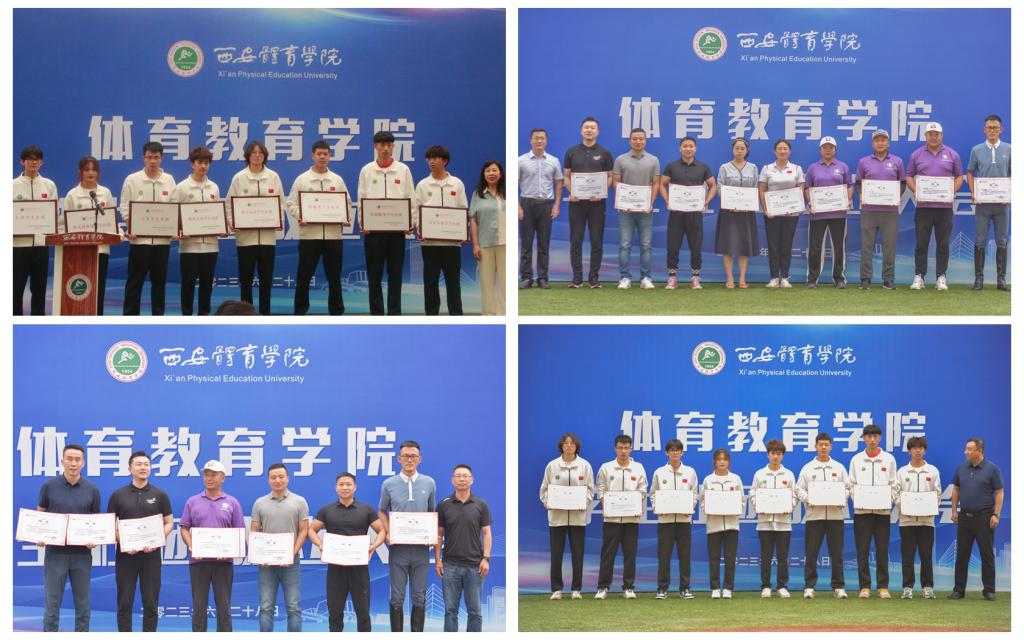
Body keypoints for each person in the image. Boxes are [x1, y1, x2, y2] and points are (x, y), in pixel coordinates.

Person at [106, 450, 174, 631]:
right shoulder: (118, 495)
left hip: (151, 557)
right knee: (124, 603)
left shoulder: (160, 495)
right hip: (125, 556)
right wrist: (123, 542)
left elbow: (169, 523)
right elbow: (110, 526)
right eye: (138, 464)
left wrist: (157, 540)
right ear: (130, 468)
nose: (143, 467)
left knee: (151, 603)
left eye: (146, 464)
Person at [310, 472, 385, 632]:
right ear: (336, 488)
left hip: (359, 568)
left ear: (355, 487)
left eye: (348, 484)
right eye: (341, 484)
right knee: (335, 613)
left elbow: (382, 531)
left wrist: (373, 546)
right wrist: (320, 545)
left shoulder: (366, 509)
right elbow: (311, 530)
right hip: (335, 569)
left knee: (363, 613)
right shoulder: (326, 510)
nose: (345, 487)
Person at [38, 444, 100, 632]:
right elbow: (40, 515)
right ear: (62, 461)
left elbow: (96, 522)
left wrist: (94, 538)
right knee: (52, 606)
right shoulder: (49, 487)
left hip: (82, 555)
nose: (73, 463)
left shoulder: (92, 490)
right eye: (70, 459)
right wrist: (39, 535)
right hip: (55, 554)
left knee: (83, 607)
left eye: (77, 459)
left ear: (83, 463)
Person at [179, 460, 245, 632]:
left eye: (213, 475)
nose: (209, 478)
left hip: (223, 563)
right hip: (198, 562)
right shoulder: (192, 501)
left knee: (224, 606)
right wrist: (192, 546)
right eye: (206, 474)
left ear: (223, 478)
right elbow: (184, 528)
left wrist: (229, 550)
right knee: (199, 607)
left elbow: (239, 532)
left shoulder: (232, 502)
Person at [286, 140, 350, 315]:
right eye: (319, 154)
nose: (322, 157)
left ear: (329, 156)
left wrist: (344, 217)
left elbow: (346, 203)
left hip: (333, 237)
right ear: (312, 156)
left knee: (334, 277)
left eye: (325, 154)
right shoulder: (302, 179)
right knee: (304, 276)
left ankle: (337, 311)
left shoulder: (337, 179)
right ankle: (300, 311)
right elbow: (291, 203)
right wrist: (301, 215)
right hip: (309, 236)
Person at [379, 440, 436, 632]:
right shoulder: (389, 484)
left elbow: (431, 511)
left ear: (420, 459)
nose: (409, 460)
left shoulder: (429, 482)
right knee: (397, 597)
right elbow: (381, 511)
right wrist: (388, 531)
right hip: (398, 549)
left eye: (413, 456)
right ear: (399, 459)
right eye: (406, 456)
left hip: (421, 550)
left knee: (419, 596)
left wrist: (429, 533)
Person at [357, 130, 416, 315]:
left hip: (397, 231)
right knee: (374, 275)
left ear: (393, 146)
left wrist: (410, 222)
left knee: (395, 274)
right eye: (382, 145)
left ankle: (394, 313)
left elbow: (411, 197)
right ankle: (376, 314)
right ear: (375, 146)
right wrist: (363, 222)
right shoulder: (367, 170)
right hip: (373, 232)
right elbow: (361, 197)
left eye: (389, 145)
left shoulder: (403, 170)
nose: (385, 149)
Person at [226, 140, 286, 314]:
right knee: (246, 281)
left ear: (265, 156)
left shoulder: (273, 177)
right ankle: (246, 314)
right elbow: (229, 205)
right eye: (254, 152)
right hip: (246, 239)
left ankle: (265, 314)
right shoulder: (239, 178)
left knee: (266, 280)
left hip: (267, 238)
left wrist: (278, 220)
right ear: (248, 156)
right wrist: (233, 222)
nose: (257, 156)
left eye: (261, 153)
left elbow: (281, 204)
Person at [250, 463, 310, 632]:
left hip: (291, 563)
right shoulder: (260, 503)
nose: (277, 480)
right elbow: (254, 530)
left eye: (281, 477)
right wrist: (259, 554)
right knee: (266, 607)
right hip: (267, 564)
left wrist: (292, 553)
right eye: (273, 477)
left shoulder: (299, 501)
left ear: (288, 478)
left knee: (293, 607)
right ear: (268, 480)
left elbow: (304, 530)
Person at [906, 121, 964, 291]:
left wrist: (952, 191)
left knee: (943, 243)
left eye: (936, 134)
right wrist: (916, 190)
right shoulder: (916, 155)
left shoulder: (952, 154)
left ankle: (941, 276)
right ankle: (919, 276)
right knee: (921, 243)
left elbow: (959, 177)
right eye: (930, 134)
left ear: (941, 135)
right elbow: (909, 176)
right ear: (925, 136)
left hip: (944, 208)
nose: (933, 137)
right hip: (924, 207)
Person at [120, 141, 176, 315]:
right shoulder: (132, 179)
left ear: (162, 159)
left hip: (162, 243)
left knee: (159, 283)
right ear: (143, 158)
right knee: (134, 283)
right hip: (139, 242)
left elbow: (174, 206)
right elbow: (124, 206)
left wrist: (174, 228)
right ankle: (130, 319)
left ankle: (158, 319)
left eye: (156, 157)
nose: (152, 161)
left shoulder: (169, 180)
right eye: (149, 157)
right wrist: (130, 226)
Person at [436, 464, 493, 632]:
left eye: (465, 476)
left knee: (475, 612)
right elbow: (438, 535)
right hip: (450, 565)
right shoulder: (444, 505)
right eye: (458, 476)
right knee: (450, 611)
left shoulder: (481, 504)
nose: (462, 479)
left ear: (472, 480)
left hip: (474, 565)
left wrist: (486, 558)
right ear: (452, 480)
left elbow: (487, 534)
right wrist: (438, 560)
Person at [539, 432, 595, 600]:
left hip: (578, 517)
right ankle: (556, 589)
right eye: (566, 443)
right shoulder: (552, 466)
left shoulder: (585, 465)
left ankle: (576, 589)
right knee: (556, 554)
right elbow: (544, 489)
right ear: (561, 446)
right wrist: (547, 501)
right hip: (557, 517)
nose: (569, 446)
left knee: (578, 554)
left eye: (572, 443)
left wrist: (583, 502)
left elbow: (590, 489)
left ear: (577, 446)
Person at [415, 145, 468, 315]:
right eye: (429, 158)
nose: (432, 161)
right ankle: (431, 316)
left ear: (445, 161)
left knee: (453, 282)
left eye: (436, 158)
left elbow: (463, 209)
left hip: (452, 244)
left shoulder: (457, 184)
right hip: (429, 243)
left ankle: (456, 315)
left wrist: (462, 231)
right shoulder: (423, 185)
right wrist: (420, 229)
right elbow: (416, 211)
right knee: (430, 282)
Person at [949, 437, 1004, 600]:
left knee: (987, 555)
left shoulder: (992, 469)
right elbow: (956, 489)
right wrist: (954, 510)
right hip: (964, 518)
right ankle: (959, 590)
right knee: (961, 555)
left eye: (969, 449)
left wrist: (996, 514)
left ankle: (989, 590)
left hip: (984, 518)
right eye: (966, 449)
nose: (965, 452)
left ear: (979, 451)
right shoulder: (961, 467)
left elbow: (999, 492)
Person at [796, 432, 849, 599]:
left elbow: (848, 488)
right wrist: (808, 499)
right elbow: (799, 489)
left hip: (835, 517)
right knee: (811, 553)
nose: (824, 447)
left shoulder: (839, 468)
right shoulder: (808, 468)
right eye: (821, 444)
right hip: (814, 517)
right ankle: (809, 586)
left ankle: (838, 586)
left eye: (826, 444)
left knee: (837, 554)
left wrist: (842, 498)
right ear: (816, 446)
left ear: (831, 446)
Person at [594, 434, 647, 600]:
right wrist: (606, 504)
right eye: (620, 448)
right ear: (615, 448)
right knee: (608, 553)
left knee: (630, 553)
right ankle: (603, 587)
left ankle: (629, 587)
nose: (623, 451)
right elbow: (601, 489)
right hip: (612, 519)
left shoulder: (638, 467)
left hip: (631, 519)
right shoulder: (606, 468)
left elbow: (643, 490)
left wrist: (635, 503)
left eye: (626, 448)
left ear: (631, 449)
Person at [563, 116, 614, 288]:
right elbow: (566, 176)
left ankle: (594, 278)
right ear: (581, 130)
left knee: (596, 241)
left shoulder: (605, 153)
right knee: (576, 240)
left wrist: (602, 192)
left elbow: (610, 176)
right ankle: (577, 278)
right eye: (586, 127)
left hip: (597, 204)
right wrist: (572, 192)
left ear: (598, 131)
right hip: (576, 203)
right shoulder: (571, 152)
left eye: (592, 128)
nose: (589, 130)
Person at [848, 424, 897, 598]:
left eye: (875, 436)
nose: (872, 440)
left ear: (880, 438)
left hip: (882, 513)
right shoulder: (856, 459)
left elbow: (894, 485)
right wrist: (859, 500)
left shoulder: (889, 459)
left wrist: (887, 501)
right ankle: (865, 586)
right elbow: (851, 485)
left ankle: (883, 586)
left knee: (882, 549)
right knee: (862, 550)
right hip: (862, 513)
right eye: (869, 436)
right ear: (864, 439)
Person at [661, 136, 716, 290]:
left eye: (691, 146)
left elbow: (713, 185)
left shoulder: (703, 167)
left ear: (695, 148)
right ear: (680, 148)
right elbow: (662, 184)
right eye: (685, 146)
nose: (688, 149)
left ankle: (695, 277)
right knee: (673, 246)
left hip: (695, 213)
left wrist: (706, 201)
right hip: (676, 213)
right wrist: (667, 200)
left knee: (696, 246)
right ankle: (672, 277)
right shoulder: (671, 166)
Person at [62, 156, 115, 314]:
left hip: (100, 250)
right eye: (87, 170)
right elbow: (64, 224)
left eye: (93, 170)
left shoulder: (105, 193)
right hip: (79, 251)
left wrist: (117, 234)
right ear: (80, 172)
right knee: (81, 289)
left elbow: (111, 219)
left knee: (99, 289)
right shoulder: (72, 195)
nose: (90, 173)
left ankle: (98, 318)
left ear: (98, 172)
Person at [173, 146, 222, 316]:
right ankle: (186, 316)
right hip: (189, 246)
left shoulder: (214, 187)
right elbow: (175, 214)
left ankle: (204, 316)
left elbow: (217, 214)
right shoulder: (181, 187)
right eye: (200, 162)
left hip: (210, 245)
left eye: (207, 163)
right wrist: (179, 229)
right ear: (192, 164)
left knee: (207, 284)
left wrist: (221, 227)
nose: (203, 166)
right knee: (188, 283)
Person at [855, 129, 905, 289]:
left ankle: (888, 279)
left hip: (890, 211)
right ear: (873, 143)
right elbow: (858, 183)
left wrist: (894, 196)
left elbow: (902, 183)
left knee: (889, 246)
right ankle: (865, 279)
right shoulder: (864, 162)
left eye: (883, 140)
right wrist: (861, 194)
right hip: (869, 210)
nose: (880, 143)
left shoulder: (897, 161)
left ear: (888, 143)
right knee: (866, 246)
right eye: (877, 140)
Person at [649, 438, 698, 599]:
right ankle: (662, 588)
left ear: (682, 453)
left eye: (678, 450)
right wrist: (657, 508)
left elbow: (694, 494)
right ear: (667, 453)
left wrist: (690, 507)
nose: (675, 452)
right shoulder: (659, 472)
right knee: (664, 556)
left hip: (684, 521)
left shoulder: (690, 472)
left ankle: (685, 588)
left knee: (685, 556)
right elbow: (653, 493)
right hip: (665, 521)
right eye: (672, 450)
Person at [967, 115, 1011, 291]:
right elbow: (970, 172)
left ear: (1001, 129)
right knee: (980, 240)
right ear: (984, 129)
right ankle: (979, 279)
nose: (992, 130)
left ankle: (1001, 279)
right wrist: (973, 192)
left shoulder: (1010, 149)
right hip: (983, 204)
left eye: (995, 127)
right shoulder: (976, 150)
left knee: (1002, 240)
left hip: (1002, 205)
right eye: (989, 127)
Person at [613, 128, 660, 290]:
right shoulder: (620, 160)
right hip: (625, 211)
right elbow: (616, 182)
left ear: (645, 141)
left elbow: (656, 184)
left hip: (645, 211)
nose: (638, 141)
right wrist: (622, 200)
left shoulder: (653, 160)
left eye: (641, 139)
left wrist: (650, 203)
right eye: (634, 139)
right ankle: (624, 277)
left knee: (646, 245)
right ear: (630, 140)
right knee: (624, 244)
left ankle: (645, 277)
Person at [749, 439, 797, 598]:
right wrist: (758, 506)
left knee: (783, 557)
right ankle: (766, 586)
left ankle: (782, 586)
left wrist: (789, 507)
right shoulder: (760, 474)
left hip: (784, 523)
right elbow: (753, 494)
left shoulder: (789, 474)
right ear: (768, 455)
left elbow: (794, 496)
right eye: (773, 453)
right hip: (765, 523)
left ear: (783, 455)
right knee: (766, 556)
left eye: (779, 454)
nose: (775, 456)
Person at [895, 436, 941, 599]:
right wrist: (905, 508)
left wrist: (930, 507)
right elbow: (896, 494)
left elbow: (937, 494)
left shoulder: (932, 471)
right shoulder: (902, 472)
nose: (918, 451)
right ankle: (907, 588)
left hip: (926, 522)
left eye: (921, 448)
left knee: (926, 556)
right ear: (909, 451)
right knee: (907, 556)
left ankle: (927, 587)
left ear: (925, 450)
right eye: (914, 448)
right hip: (906, 521)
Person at [13, 145, 56, 315]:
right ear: (22, 162)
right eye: (30, 159)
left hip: (40, 245)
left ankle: (38, 320)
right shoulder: (11, 186)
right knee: (15, 290)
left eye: (37, 159)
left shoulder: (49, 185)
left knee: (39, 291)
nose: (33, 162)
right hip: (17, 246)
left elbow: (53, 213)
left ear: (41, 162)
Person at [804, 136, 853, 288]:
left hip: (838, 213)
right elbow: (807, 188)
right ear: (820, 150)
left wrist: (847, 200)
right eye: (825, 147)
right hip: (817, 214)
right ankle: (812, 279)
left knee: (838, 246)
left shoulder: (843, 167)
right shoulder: (813, 168)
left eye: (830, 147)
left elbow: (849, 186)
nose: (827, 150)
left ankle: (839, 278)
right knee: (815, 247)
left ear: (835, 150)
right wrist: (810, 201)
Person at [518, 128, 562, 289]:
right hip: (527, 205)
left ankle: (543, 278)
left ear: (546, 141)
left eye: (542, 138)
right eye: (536, 138)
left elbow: (559, 182)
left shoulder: (554, 161)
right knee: (526, 244)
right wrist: (518, 206)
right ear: (531, 140)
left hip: (546, 205)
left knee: (544, 244)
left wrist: (556, 205)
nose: (539, 141)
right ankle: (526, 278)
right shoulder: (521, 161)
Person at [758, 139, 805, 288]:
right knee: (773, 246)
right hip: (771, 215)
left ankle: (784, 277)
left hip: (790, 215)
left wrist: (794, 208)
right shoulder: (766, 168)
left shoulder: (796, 168)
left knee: (786, 246)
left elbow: (800, 190)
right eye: (779, 148)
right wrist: (766, 210)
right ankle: (773, 278)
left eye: (785, 149)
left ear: (789, 151)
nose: (782, 151)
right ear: (775, 151)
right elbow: (762, 190)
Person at [715, 138, 760, 289]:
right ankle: (729, 278)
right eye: (737, 148)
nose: (739, 151)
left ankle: (742, 279)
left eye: (742, 148)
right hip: (729, 212)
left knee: (744, 245)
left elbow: (755, 188)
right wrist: (731, 203)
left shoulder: (753, 168)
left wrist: (747, 203)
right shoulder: (725, 167)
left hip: (746, 212)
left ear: (747, 151)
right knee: (727, 245)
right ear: (732, 150)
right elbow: (719, 188)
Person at [700, 448, 743, 599]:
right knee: (714, 557)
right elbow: (703, 501)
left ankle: (728, 588)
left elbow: (742, 500)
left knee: (730, 557)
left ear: (729, 462)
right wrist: (708, 509)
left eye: (725, 459)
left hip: (732, 525)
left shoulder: (735, 479)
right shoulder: (708, 480)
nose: (722, 462)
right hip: (714, 525)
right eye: (719, 459)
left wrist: (738, 509)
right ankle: (715, 588)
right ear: (715, 462)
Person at [469, 160, 506, 315]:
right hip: (484, 244)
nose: (491, 173)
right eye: (488, 171)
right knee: (487, 284)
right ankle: (489, 315)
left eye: (494, 170)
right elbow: (473, 220)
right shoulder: (477, 195)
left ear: (500, 173)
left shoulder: (507, 193)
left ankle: (504, 315)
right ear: (484, 174)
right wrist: (475, 245)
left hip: (506, 244)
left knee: (506, 284)